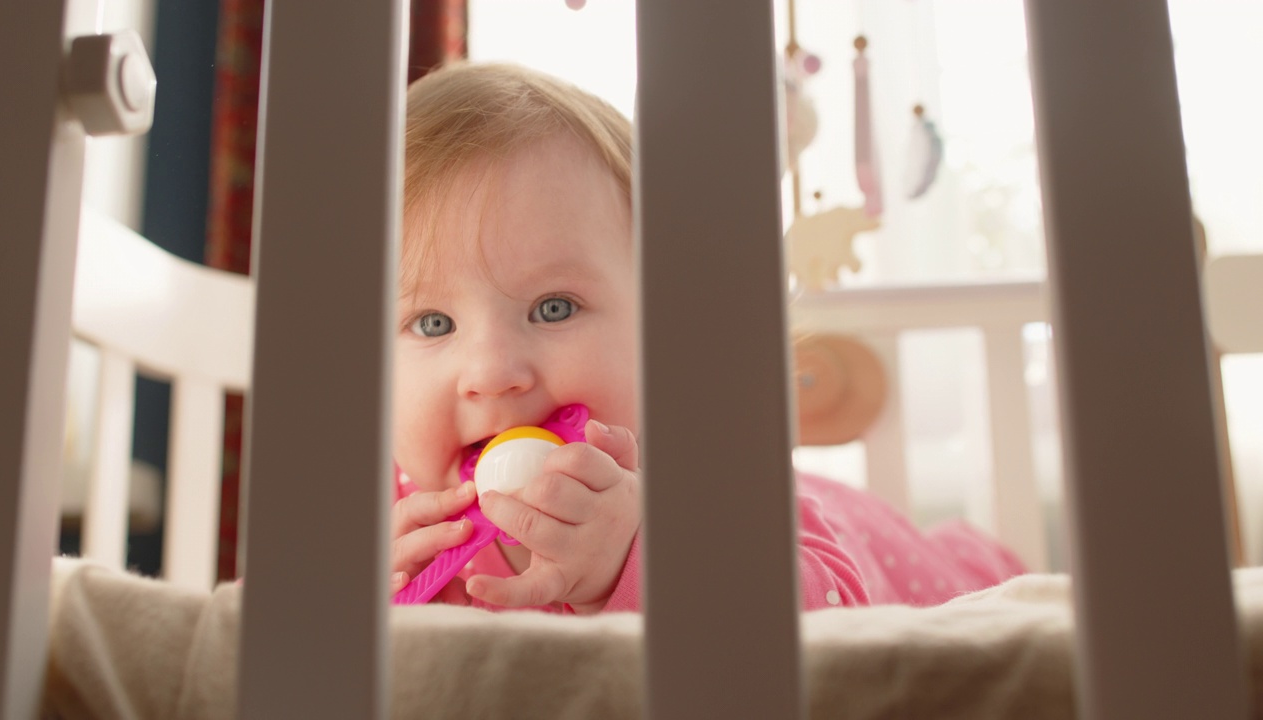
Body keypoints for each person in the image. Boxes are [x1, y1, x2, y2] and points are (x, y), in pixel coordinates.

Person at [387, 62, 1023, 614]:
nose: (494, 371)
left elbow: (833, 623)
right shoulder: (367, 522)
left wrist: (640, 563)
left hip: (882, 560)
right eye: (433, 323)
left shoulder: (711, 477)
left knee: (975, 593)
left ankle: (974, 562)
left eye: (554, 308)